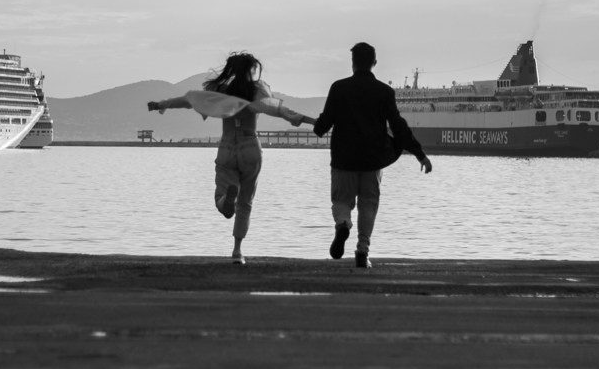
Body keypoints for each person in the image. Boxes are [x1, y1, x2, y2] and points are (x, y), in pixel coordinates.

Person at [147, 52, 316, 265]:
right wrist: (311, 121)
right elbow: (281, 110)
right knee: (246, 203)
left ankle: (226, 200)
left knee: (222, 197)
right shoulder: (257, 91)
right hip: (250, 147)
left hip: (227, 146)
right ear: (251, 70)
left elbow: (189, 100)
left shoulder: (221, 91)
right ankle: (237, 251)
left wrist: (161, 104)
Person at [313, 42, 432, 269]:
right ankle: (362, 251)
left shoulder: (338, 88)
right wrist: (420, 154)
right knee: (368, 204)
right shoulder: (384, 92)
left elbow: (324, 124)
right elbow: (398, 126)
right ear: (374, 63)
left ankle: (343, 224)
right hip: (372, 159)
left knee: (341, 201)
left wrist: (319, 126)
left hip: (344, 159)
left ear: (353, 63)